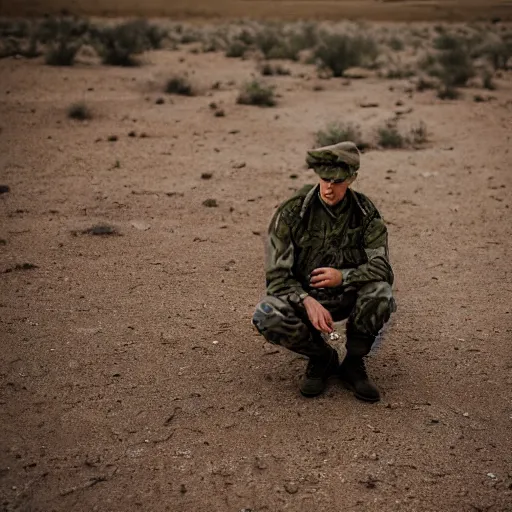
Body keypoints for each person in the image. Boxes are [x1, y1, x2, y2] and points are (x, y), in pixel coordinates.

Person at [252, 141, 396, 402]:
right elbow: (276, 278)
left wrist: (344, 276)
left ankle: (353, 363)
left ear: (351, 179)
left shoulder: (365, 213)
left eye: (338, 181)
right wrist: (306, 301)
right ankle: (322, 358)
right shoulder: (292, 212)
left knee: (381, 293)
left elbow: (382, 268)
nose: (329, 187)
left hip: (349, 295)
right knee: (266, 314)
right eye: (325, 178)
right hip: (306, 297)